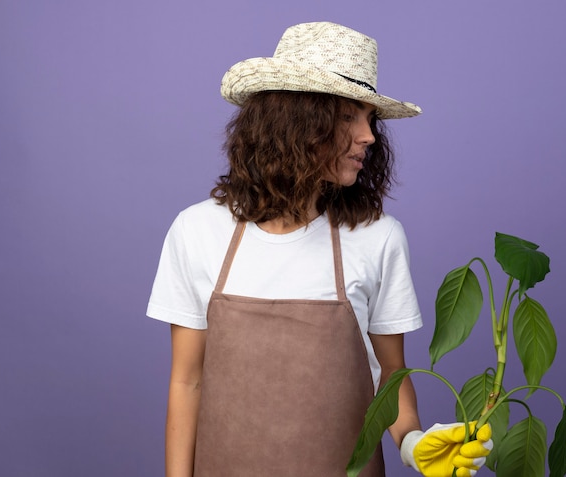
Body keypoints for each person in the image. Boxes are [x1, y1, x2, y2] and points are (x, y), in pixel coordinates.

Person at [147, 21, 492, 477]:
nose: (368, 136)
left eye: (371, 119)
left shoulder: (378, 236)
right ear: (297, 121)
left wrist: (413, 443)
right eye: (350, 116)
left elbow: (390, 374)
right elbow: (187, 381)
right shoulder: (197, 231)